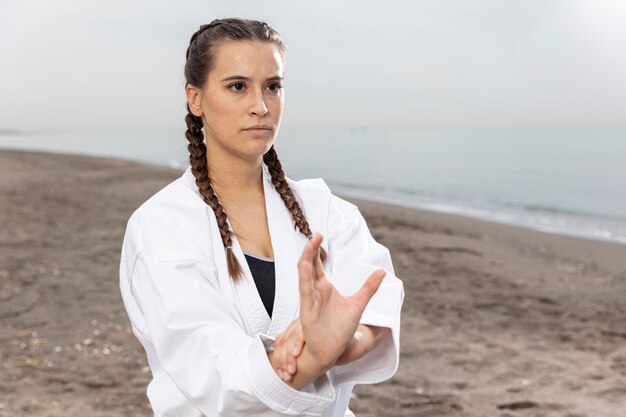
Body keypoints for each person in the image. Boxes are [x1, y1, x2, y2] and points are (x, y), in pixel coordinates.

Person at [118, 17, 404, 417]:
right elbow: (209, 370)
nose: (261, 106)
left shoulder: (325, 210)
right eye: (238, 86)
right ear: (195, 99)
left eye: (273, 86)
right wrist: (313, 357)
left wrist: (349, 338)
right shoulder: (161, 225)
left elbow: (375, 298)